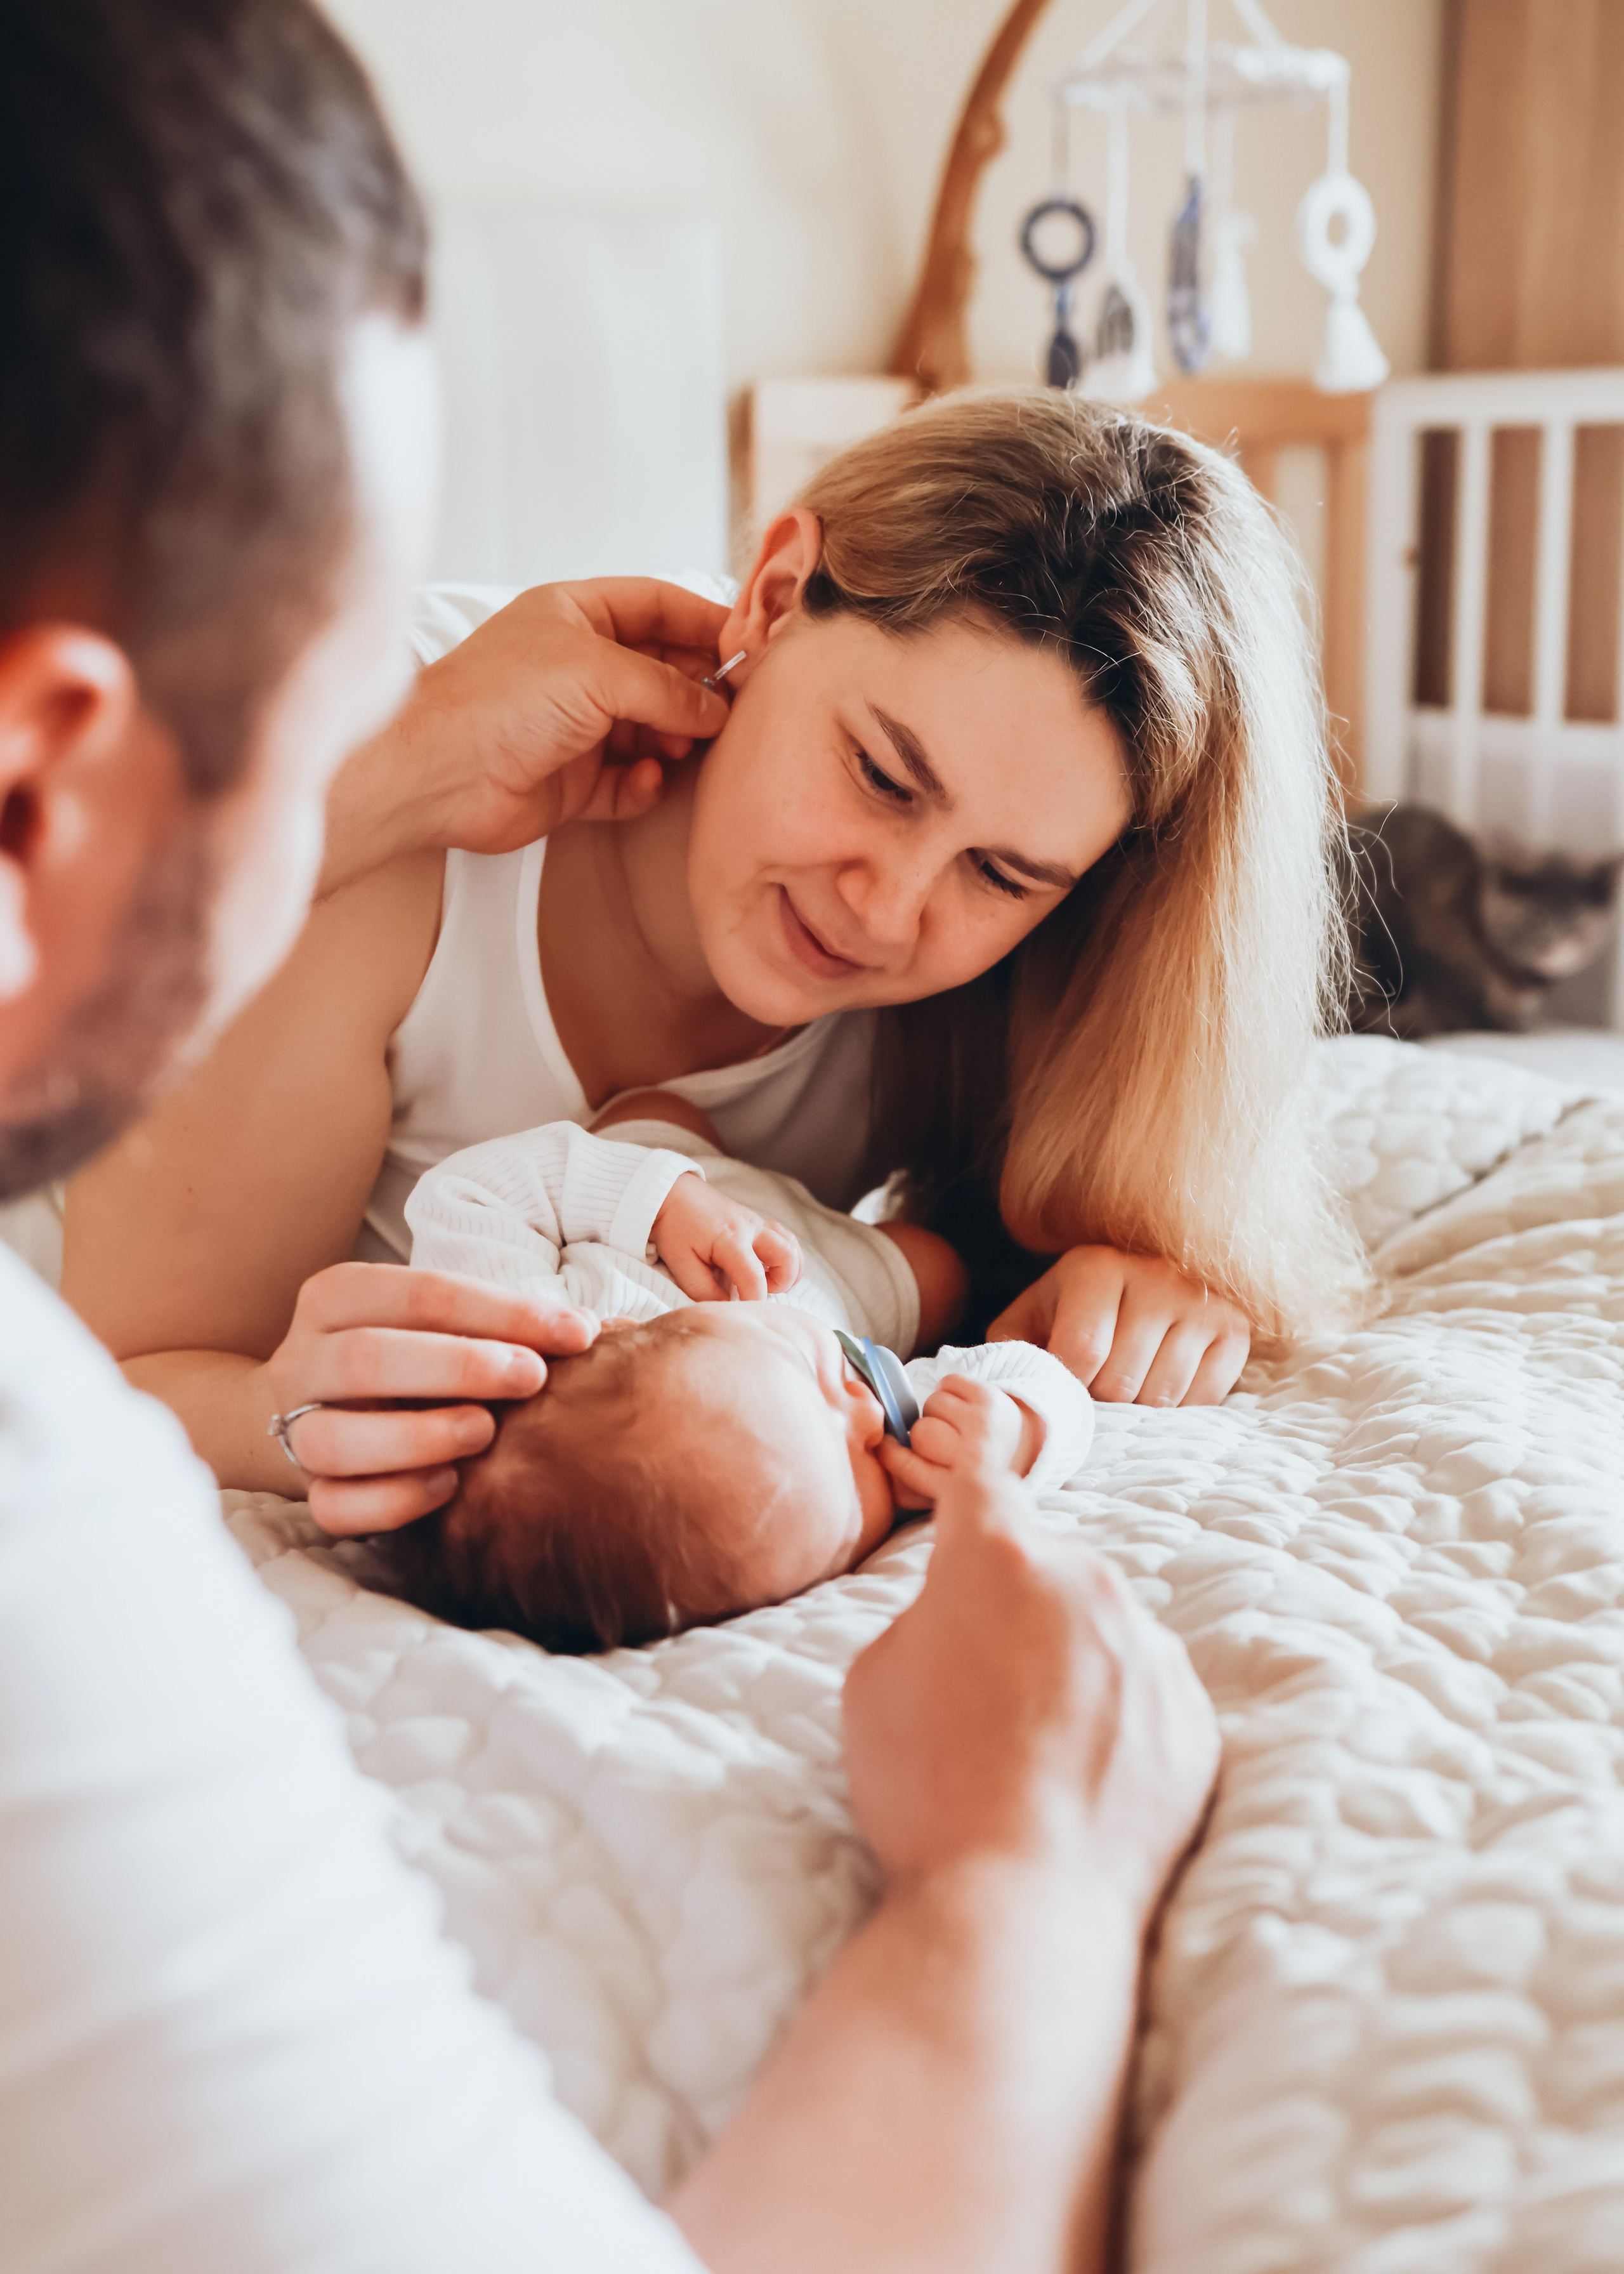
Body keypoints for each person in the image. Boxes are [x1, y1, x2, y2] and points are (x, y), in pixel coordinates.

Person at [0, 4, 1221, 2274]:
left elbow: (957, 1251)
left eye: (993, 871)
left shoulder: (965, 1033)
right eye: (321, 708)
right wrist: (1015, 1874)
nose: (891, 899)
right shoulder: (60, 1543)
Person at [61, 388, 1367, 1546]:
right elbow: (130, 1368)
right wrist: (269, 1415)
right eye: (880, 775)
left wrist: (1117, 1276)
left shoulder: (988, 992)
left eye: (1001, 874)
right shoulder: (380, 804)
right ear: (775, 594)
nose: (888, 908)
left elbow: (986, 1254)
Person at [386, 1095, 1092, 1646]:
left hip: (690, 1208)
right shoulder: (891, 1461)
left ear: (618, 1331)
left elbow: (477, 1190)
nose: (867, 1413)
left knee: (656, 1111)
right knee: (942, 1276)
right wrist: (1014, 1431)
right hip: (845, 1274)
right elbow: (1042, 1380)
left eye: (812, 1377)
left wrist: (662, 1199)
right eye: (853, 1478)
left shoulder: (535, 1333)